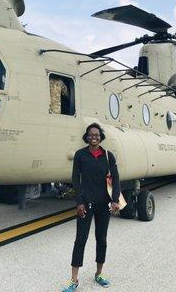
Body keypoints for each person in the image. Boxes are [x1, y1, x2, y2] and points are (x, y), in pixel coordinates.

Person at [62, 123, 120, 292]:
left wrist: (115, 200)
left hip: (103, 204)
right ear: (86, 137)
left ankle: (99, 273)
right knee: (80, 240)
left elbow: (115, 179)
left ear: (101, 136)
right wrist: (78, 202)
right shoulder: (80, 155)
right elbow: (75, 179)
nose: (93, 137)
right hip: (85, 204)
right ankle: (74, 280)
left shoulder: (108, 156)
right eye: (90, 135)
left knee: (101, 239)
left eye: (96, 134)